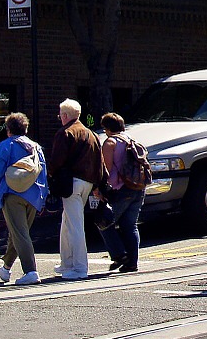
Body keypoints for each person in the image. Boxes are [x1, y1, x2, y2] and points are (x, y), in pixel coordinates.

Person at [0, 113, 48, 285]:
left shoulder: (6, 146)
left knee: (20, 233)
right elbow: (43, 173)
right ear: (26, 128)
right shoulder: (36, 147)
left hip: (13, 194)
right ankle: (5, 268)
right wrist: (43, 197)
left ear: (8, 130)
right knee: (18, 232)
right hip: (34, 195)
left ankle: (31, 271)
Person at [47, 98, 104, 280]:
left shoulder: (65, 133)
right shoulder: (91, 134)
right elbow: (99, 162)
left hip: (70, 183)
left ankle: (79, 267)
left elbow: (56, 162)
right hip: (87, 183)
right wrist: (98, 185)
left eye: (60, 115)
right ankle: (67, 263)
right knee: (68, 223)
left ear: (64, 115)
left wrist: (50, 175)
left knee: (74, 225)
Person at [97, 113, 144, 274]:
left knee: (104, 221)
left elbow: (106, 171)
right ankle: (132, 262)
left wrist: (99, 189)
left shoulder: (110, 143)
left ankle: (119, 255)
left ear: (107, 128)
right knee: (129, 225)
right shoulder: (131, 140)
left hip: (121, 189)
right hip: (138, 187)